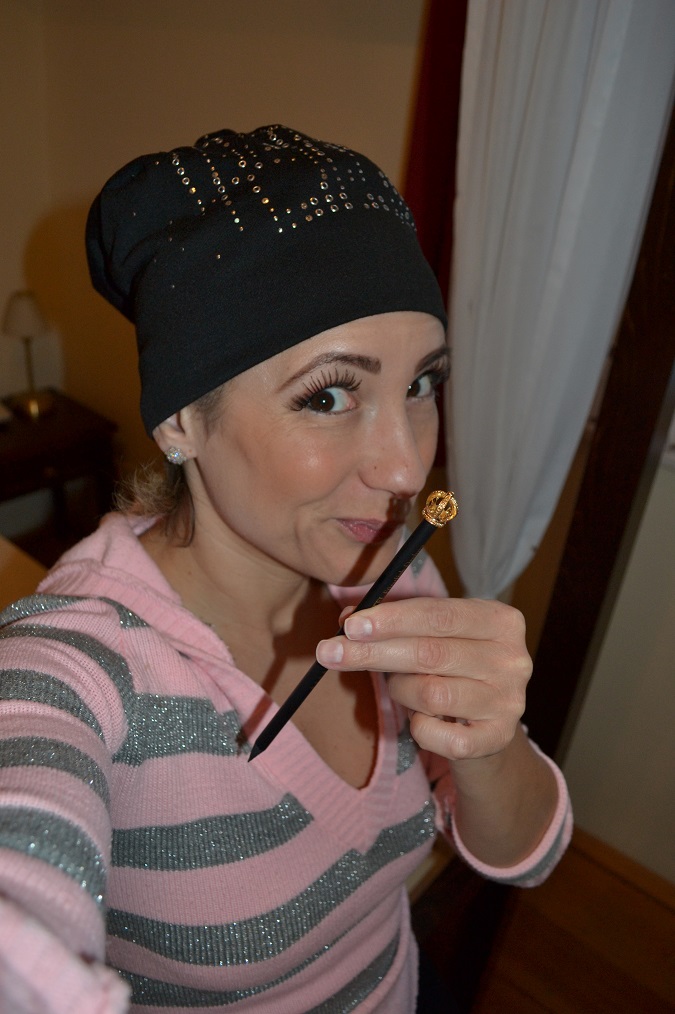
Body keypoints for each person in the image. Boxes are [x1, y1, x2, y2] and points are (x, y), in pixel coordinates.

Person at [0, 125, 572, 1013]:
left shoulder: (391, 575)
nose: (405, 468)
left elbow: (527, 858)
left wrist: (489, 742)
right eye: (329, 395)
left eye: (421, 385)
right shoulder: (76, 670)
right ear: (181, 420)